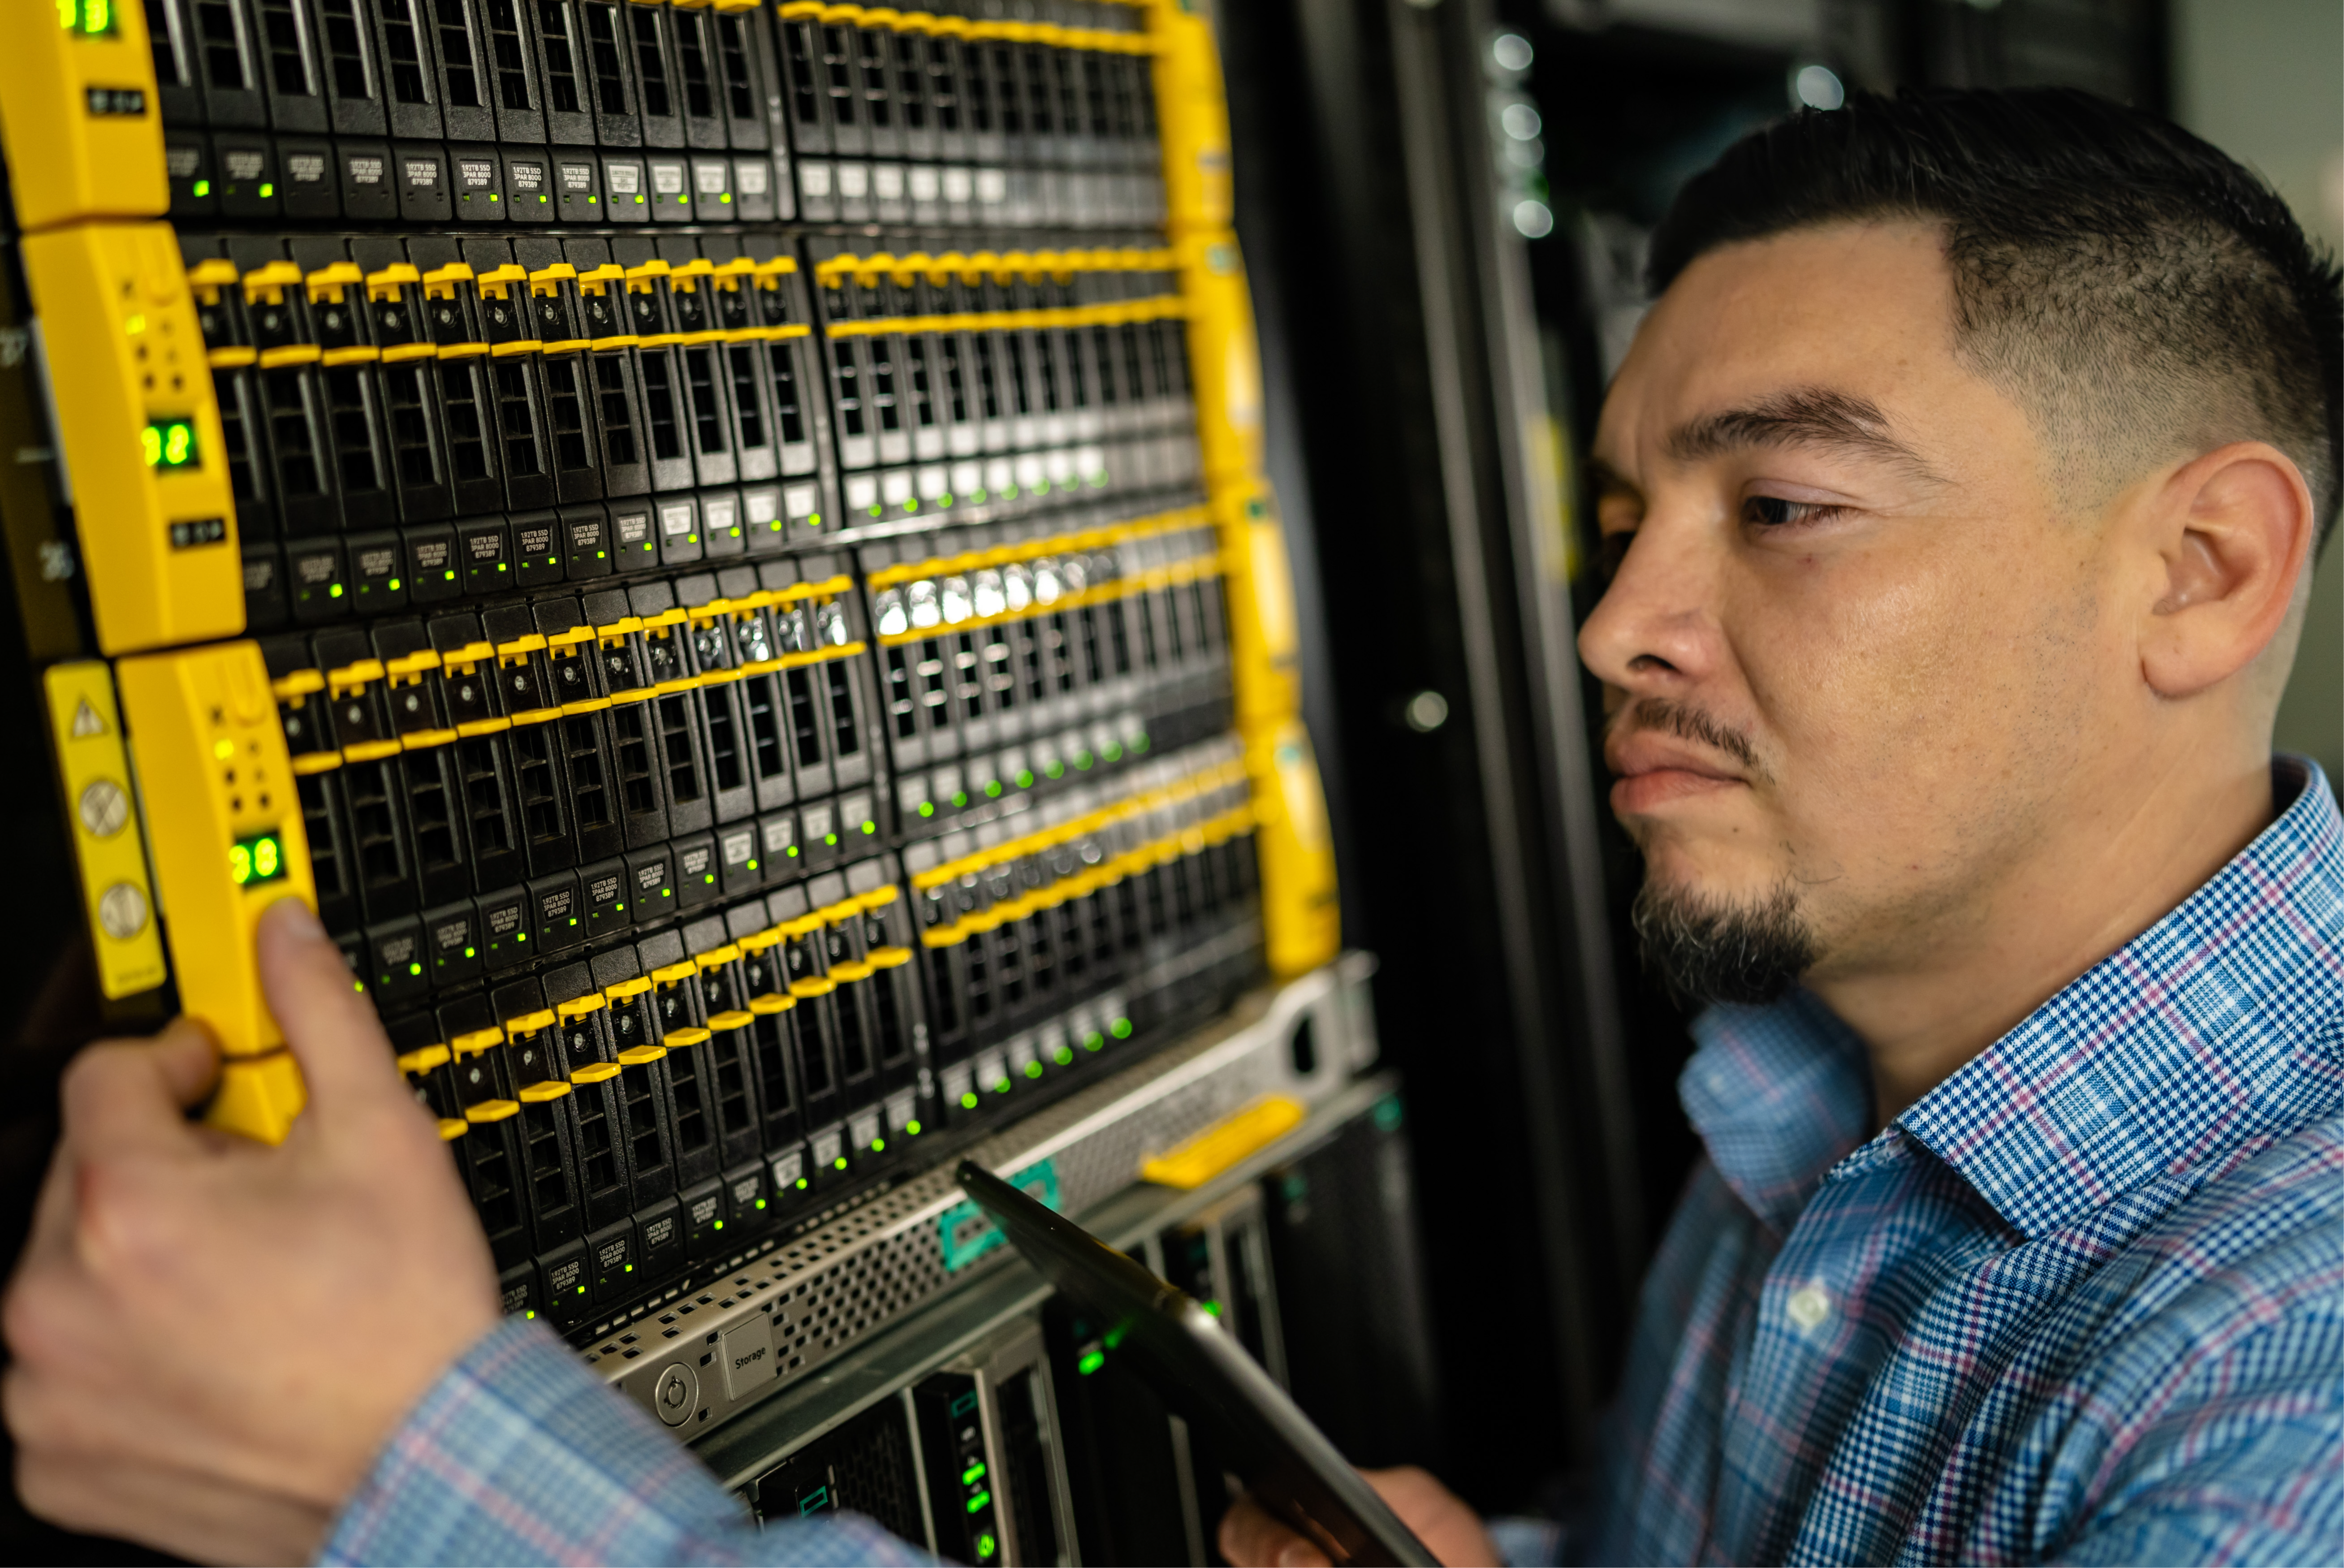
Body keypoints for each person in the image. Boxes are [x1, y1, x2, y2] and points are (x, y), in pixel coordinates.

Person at [11, 82, 2344, 1568]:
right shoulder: (1831, 1107)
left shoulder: (2282, 1393)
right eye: (1619, 508)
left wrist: (412, 1473)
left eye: (1787, 504)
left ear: (2202, 568)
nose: (1614, 618)